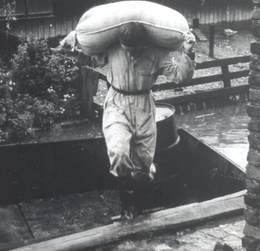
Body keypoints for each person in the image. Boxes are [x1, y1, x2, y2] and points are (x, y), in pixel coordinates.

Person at [63, 22, 196, 220]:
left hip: (144, 106)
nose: (130, 55)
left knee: (142, 168)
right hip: (117, 103)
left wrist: (188, 52)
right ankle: (126, 208)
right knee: (118, 152)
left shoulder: (157, 53)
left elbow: (181, 78)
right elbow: (89, 59)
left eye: (134, 51)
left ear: (144, 44)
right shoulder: (114, 48)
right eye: (127, 51)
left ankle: (138, 206)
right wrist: (73, 46)